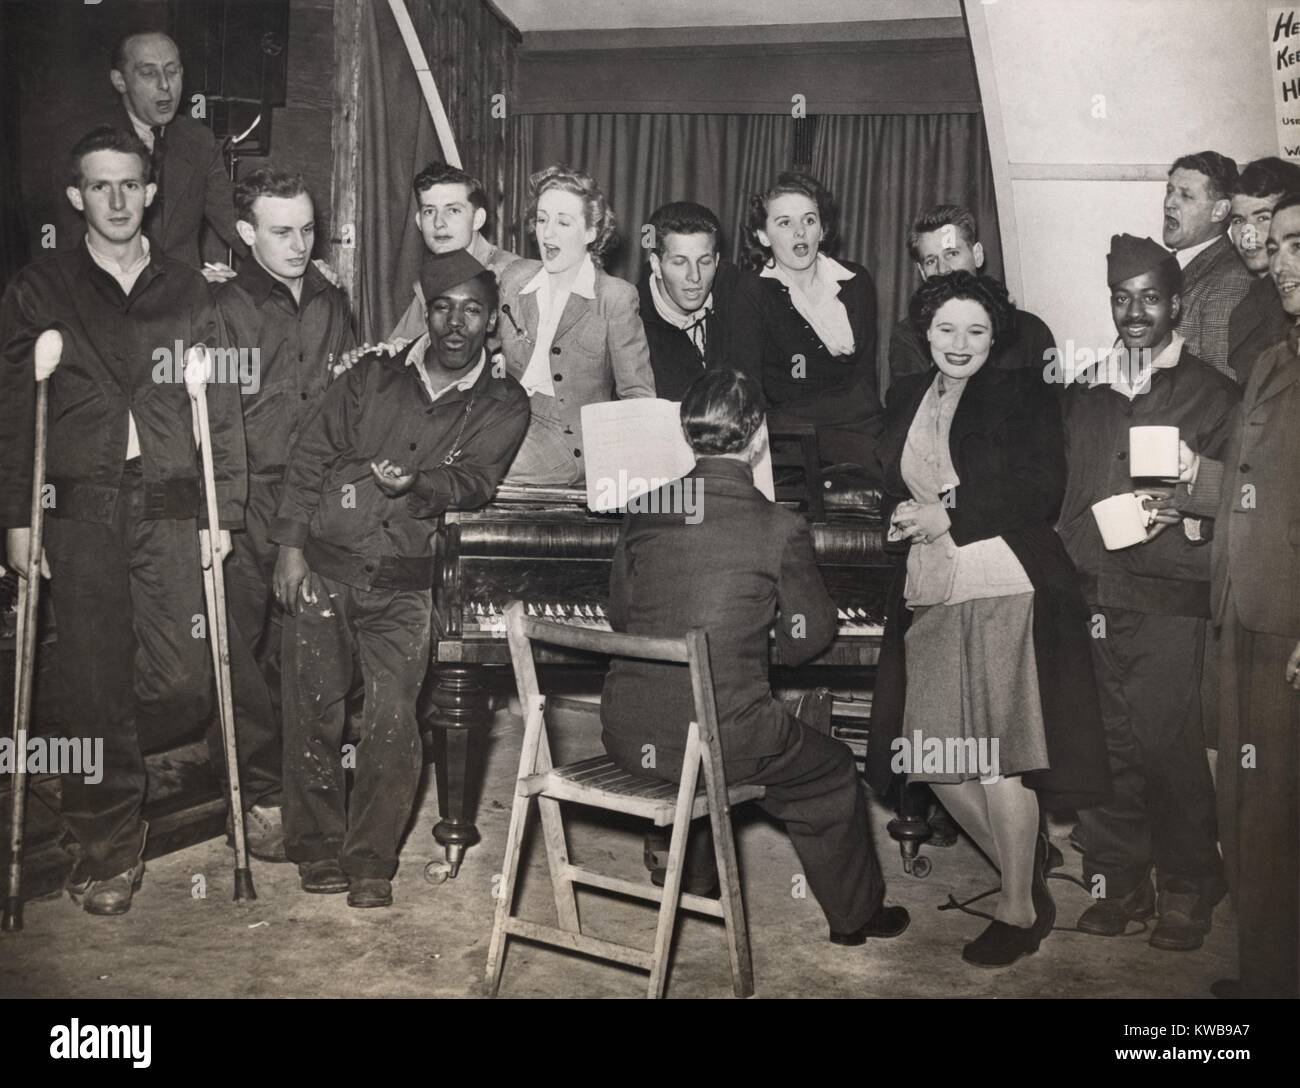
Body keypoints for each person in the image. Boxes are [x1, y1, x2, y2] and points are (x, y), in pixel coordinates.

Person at [0, 125, 247, 914]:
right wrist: (16, 517)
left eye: (130, 185)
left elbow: (223, 405)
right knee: (96, 672)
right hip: (77, 506)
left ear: (150, 192)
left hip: (172, 496)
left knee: (184, 675)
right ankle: (107, 846)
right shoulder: (40, 288)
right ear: (76, 196)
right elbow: (12, 411)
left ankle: (82, 756)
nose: (116, 199)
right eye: (99, 185)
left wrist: (223, 508)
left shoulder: (188, 289)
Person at [600, 367, 909, 945]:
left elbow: (623, 621)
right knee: (832, 769)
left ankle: (698, 884)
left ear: (687, 435)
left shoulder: (644, 508)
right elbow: (805, 642)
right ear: (758, 436)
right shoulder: (779, 524)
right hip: (721, 745)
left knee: (724, 736)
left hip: (627, 734)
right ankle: (856, 918)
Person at [271, 250, 529, 908]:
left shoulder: (504, 403)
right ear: (425, 307)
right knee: (314, 715)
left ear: (491, 320)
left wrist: (420, 484)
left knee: (391, 720)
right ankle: (315, 845)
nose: (455, 323)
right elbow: (310, 456)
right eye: (442, 306)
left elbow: (476, 482)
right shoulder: (371, 378)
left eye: (472, 309)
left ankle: (369, 860)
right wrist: (290, 548)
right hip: (324, 570)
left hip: (407, 587)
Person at [868, 271, 1110, 967]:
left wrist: (951, 513)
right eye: (946, 328)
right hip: (932, 584)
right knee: (936, 757)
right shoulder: (908, 394)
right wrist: (904, 512)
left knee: (1000, 758)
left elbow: (1041, 489)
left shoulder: (1021, 394)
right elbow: (899, 473)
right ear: (926, 331)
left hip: (1004, 579)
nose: (960, 342)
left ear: (994, 336)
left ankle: (1017, 907)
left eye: (976, 330)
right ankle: (1022, 864)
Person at [1056, 234, 1239, 951]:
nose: (1136, 311)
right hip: (1093, 592)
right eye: (1122, 297)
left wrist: (1190, 512)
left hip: (1169, 595)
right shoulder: (1084, 393)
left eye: (1151, 297)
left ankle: (1190, 883)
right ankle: (1117, 880)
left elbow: (1245, 498)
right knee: (1106, 744)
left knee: (1168, 744)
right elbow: (1065, 496)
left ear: (1177, 305)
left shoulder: (1213, 392)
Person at [210, 168, 357, 861]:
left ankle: (311, 792)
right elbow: (217, 422)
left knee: (310, 654)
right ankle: (257, 796)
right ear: (245, 235)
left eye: (306, 229)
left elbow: (348, 399)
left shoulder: (332, 299)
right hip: (247, 500)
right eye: (280, 231)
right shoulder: (226, 308)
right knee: (240, 656)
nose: (299, 244)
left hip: (317, 501)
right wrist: (224, 515)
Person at [1174, 194, 1300, 997]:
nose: (1280, 259)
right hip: (1245, 612)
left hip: (1290, 624)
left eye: (1297, 244)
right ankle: (1269, 975)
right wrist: (1191, 484)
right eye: (1279, 245)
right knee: (1253, 810)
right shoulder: (1276, 357)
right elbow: (1264, 482)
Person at [497, 164, 655, 486]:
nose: (548, 233)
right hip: (504, 411)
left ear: (591, 232)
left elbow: (638, 394)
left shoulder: (615, 298)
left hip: (567, 432)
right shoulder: (514, 279)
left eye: (563, 222)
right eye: (542, 219)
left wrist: (623, 473)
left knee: (485, 468)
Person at [729, 172, 883, 478]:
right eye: (784, 223)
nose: (800, 232)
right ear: (763, 235)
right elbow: (748, 387)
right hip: (790, 436)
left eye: (809, 221)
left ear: (822, 229)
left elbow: (866, 376)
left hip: (862, 424)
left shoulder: (856, 281)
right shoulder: (752, 290)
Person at [63, 31, 245, 282]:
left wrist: (285, 266)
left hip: (185, 306)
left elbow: (234, 221)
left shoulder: (200, 140)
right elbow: (65, 248)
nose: (165, 85)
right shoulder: (85, 144)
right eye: (148, 73)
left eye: (172, 71)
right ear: (120, 81)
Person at [886, 204, 1056, 385]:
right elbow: (913, 408)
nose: (943, 269)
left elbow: (1050, 407)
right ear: (921, 271)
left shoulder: (1029, 330)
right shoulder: (908, 336)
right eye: (931, 260)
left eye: (952, 253)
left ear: (977, 255)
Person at [386, 162, 521, 345]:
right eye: (429, 211)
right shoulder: (433, 278)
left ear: (477, 219)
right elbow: (402, 346)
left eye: (453, 210)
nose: (438, 222)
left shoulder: (513, 277)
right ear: (419, 222)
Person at [638, 201, 743, 400]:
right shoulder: (628, 320)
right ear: (656, 265)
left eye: (704, 262)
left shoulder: (741, 299)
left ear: (717, 261)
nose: (694, 276)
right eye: (679, 262)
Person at [1162, 151, 1252, 375]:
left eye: (1186, 196)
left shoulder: (1231, 279)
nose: (1170, 204)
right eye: (1170, 191)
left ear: (1219, 211)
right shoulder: (1166, 266)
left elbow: (1222, 387)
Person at [1225, 158, 1300, 385]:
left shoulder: (1292, 302)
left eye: (1262, 218)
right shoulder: (1248, 303)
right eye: (1239, 220)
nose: (1248, 234)